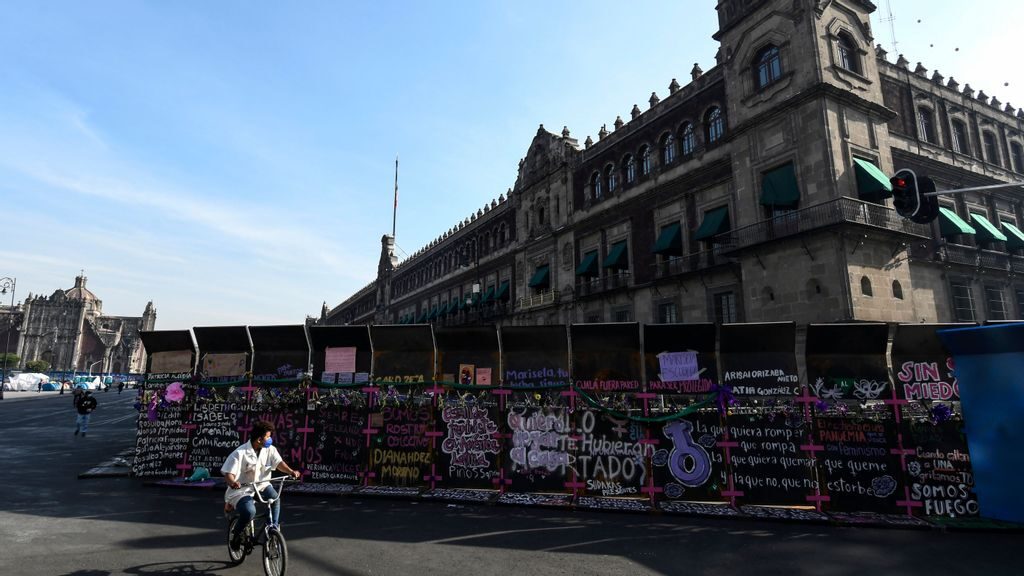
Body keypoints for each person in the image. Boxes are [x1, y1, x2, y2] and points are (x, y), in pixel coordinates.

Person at [221, 420, 301, 552]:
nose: (270, 439)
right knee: (249, 512)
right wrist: (233, 482)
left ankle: (273, 528)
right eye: (268, 437)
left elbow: (279, 463)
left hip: (262, 486)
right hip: (242, 490)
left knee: (275, 498)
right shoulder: (239, 453)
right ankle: (236, 534)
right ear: (259, 439)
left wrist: (291, 471)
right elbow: (228, 473)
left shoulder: (270, 450)